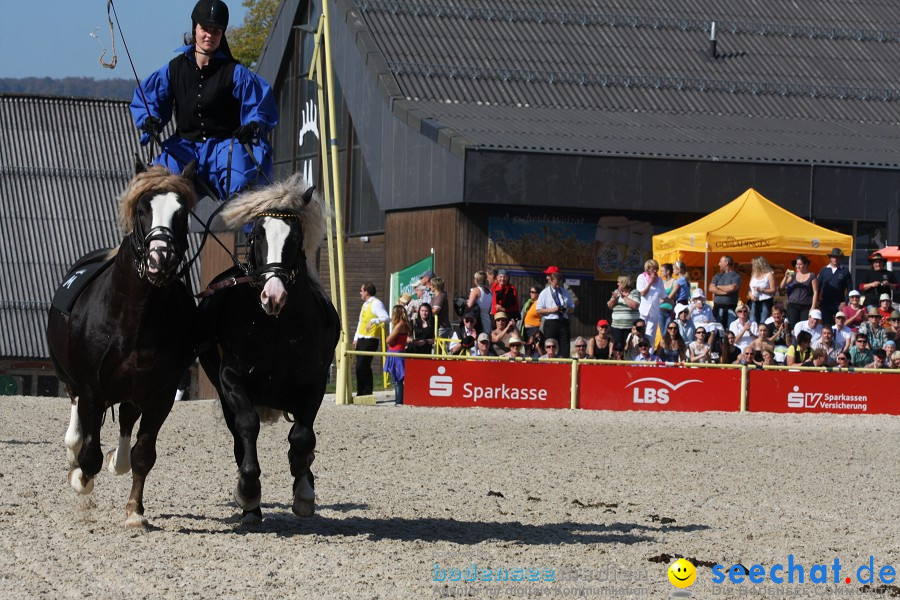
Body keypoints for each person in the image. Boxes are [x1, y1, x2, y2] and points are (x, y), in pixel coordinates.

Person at [130, 0, 278, 201]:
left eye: (216, 31)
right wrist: (150, 119)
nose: (210, 35)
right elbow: (148, 98)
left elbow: (259, 105)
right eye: (205, 29)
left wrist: (253, 124)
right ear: (195, 29)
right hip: (183, 148)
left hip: (225, 149)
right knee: (156, 187)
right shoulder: (172, 70)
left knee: (246, 186)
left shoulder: (236, 73)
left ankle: (254, 232)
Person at [353, 282, 389, 397]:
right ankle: (362, 390)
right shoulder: (365, 305)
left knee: (362, 365)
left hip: (370, 338)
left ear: (366, 292)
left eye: (361, 291)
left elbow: (386, 318)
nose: (360, 293)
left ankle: (365, 390)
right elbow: (361, 322)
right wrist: (356, 337)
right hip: (362, 338)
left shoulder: (376, 303)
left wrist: (374, 321)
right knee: (361, 365)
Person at [536, 272, 575, 357]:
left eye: (559, 284)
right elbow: (538, 310)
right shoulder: (544, 293)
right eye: (556, 284)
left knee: (565, 348)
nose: (557, 286)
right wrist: (551, 310)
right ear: (551, 281)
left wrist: (566, 310)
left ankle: (565, 365)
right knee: (550, 347)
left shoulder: (565, 292)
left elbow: (572, 308)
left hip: (563, 322)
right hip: (551, 322)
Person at [817, 248, 853, 327]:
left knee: (838, 326)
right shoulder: (824, 270)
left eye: (838, 257)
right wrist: (816, 301)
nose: (835, 259)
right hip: (825, 303)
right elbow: (818, 287)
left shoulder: (845, 271)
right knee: (826, 325)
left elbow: (850, 288)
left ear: (841, 258)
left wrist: (845, 302)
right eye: (833, 257)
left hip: (839, 304)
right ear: (830, 258)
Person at [781, 254, 818, 326]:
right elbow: (782, 285)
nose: (798, 266)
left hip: (806, 305)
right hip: (793, 304)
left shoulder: (812, 276)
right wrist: (785, 277)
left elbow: (815, 292)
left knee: (803, 325)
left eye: (800, 264)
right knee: (792, 325)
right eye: (797, 264)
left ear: (806, 264)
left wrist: (813, 307)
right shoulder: (794, 275)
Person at [383, 305, 410, 405]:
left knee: (397, 379)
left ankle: (399, 401)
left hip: (396, 352)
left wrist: (391, 340)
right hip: (400, 351)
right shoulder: (406, 324)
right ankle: (400, 400)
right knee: (398, 379)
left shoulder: (399, 325)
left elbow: (388, 340)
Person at [709, 255, 741, 330]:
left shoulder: (735, 276)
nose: (719, 264)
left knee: (731, 330)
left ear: (726, 263)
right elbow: (711, 288)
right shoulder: (717, 276)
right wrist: (725, 292)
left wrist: (718, 287)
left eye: (720, 262)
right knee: (719, 330)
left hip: (731, 308)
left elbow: (733, 287)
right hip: (718, 308)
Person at [636, 259, 665, 342]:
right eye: (653, 269)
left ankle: (650, 353)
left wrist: (672, 302)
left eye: (656, 269)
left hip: (654, 311)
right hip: (643, 311)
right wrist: (650, 282)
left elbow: (663, 295)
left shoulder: (659, 280)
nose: (655, 271)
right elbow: (643, 293)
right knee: (640, 332)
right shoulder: (641, 277)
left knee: (651, 335)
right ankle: (639, 351)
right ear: (647, 269)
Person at [608, 275, 640, 347]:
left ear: (624, 283)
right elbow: (609, 306)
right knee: (618, 347)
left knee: (630, 347)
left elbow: (634, 306)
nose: (617, 284)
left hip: (630, 327)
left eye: (619, 282)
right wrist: (614, 298)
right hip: (616, 326)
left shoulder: (635, 292)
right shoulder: (616, 291)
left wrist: (623, 297)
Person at [747, 256, 777, 324]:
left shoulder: (769, 274)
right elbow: (749, 289)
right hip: (754, 301)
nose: (753, 266)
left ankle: (763, 334)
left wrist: (762, 290)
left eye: (754, 264)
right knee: (752, 319)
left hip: (765, 301)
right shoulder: (753, 275)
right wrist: (751, 295)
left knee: (764, 320)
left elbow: (773, 290)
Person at [658, 263, 680, 331]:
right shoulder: (662, 282)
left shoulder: (675, 282)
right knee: (663, 333)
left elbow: (671, 296)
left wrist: (662, 300)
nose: (661, 272)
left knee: (667, 332)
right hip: (661, 310)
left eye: (662, 270)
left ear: (667, 271)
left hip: (670, 310)